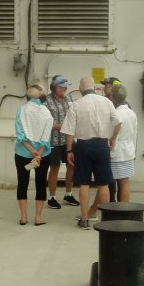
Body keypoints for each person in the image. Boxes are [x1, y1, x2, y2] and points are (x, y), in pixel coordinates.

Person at [61, 76, 122, 229]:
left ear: (81, 89)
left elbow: (68, 131)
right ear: (94, 88)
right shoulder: (106, 101)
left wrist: (69, 150)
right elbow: (118, 122)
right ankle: (106, 219)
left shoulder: (76, 104)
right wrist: (113, 139)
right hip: (102, 145)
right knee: (104, 184)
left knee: (84, 183)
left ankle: (84, 218)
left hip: (83, 146)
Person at [14, 85, 53, 226]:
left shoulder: (21, 110)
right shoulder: (46, 112)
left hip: (22, 153)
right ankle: (38, 217)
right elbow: (47, 135)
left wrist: (31, 150)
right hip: (43, 155)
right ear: (40, 96)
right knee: (41, 183)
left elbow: (20, 135)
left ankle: (23, 217)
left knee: (22, 183)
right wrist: (39, 152)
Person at [44, 75, 80, 209]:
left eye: (66, 86)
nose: (64, 88)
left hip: (68, 140)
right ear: (54, 86)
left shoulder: (69, 99)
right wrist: (62, 126)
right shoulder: (46, 101)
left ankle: (68, 194)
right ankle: (52, 197)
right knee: (54, 168)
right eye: (61, 86)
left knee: (72, 165)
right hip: (53, 141)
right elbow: (45, 123)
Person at [109, 84, 137, 201]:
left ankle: (103, 209)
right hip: (129, 152)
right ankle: (124, 211)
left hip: (116, 153)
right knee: (125, 182)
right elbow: (135, 133)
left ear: (113, 98)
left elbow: (110, 135)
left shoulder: (116, 114)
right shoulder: (132, 113)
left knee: (107, 183)